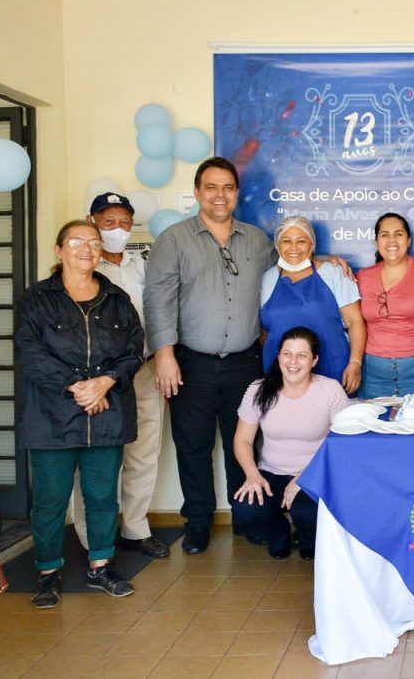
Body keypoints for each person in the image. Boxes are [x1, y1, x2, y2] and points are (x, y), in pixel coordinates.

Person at [144, 157, 275, 555]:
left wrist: (326, 262)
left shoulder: (257, 240)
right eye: (212, 188)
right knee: (193, 446)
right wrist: (165, 355)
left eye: (228, 188)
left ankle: (246, 518)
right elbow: (157, 301)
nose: (220, 195)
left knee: (245, 444)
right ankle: (198, 522)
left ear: (236, 193)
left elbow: (287, 274)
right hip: (190, 363)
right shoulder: (174, 239)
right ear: (198, 192)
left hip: (244, 363)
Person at [15, 220, 144, 608]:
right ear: (59, 250)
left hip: (107, 411)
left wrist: (104, 383)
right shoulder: (36, 299)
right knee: (51, 499)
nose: (86, 249)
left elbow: (133, 350)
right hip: (51, 413)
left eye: (93, 243)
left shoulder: (117, 298)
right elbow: (30, 352)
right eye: (76, 242)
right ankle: (48, 572)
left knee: (103, 495)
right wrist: (80, 386)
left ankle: (100, 566)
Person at [71, 193, 169, 560]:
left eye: (123, 221)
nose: (117, 229)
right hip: (98, 377)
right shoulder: (83, 265)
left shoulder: (143, 264)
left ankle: (136, 528)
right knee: (97, 457)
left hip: (142, 371)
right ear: (92, 220)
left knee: (144, 453)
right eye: (107, 221)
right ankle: (90, 535)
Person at [232, 327, 349, 560]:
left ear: (314, 360)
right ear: (278, 357)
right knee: (245, 509)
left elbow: (343, 444)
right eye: (287, 354)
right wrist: (252, 474)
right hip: (272, 471)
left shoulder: (329, 390)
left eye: (302, 355)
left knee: (307, 512)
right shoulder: (259, 389)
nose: (293, 362)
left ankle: (309, 541)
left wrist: (305, 477)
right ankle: (279, 533)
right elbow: (242, 440)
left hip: (316, 473)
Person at [260, 216, 366, 395]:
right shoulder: (268, 278)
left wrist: (355, 363)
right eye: (287, 241)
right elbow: (264, 332)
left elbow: (355, 321)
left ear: (312, 245)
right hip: (281, 376)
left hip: (331, 369)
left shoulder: (333, 272)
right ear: (277, 245)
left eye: (301, 241)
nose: (293, 248)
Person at [355, 213, 414, 398]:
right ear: (376, 242)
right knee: (374, 424)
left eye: (398, 234)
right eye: (384, 234)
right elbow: (355, 322)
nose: (392, 240)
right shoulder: (363, 276)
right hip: (373, 374)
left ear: (408, 240)